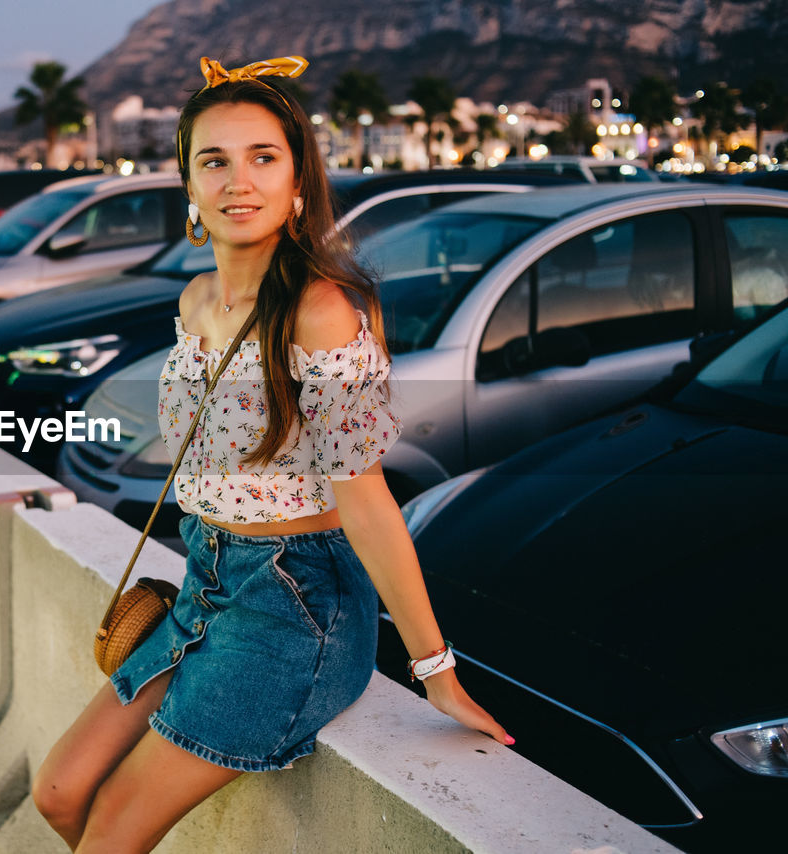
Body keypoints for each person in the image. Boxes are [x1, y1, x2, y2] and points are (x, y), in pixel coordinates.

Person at [32, 56, 511, 853]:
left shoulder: (322, 312)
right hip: (204, 579)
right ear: (189, 186)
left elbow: (366, 498)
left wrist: (437, 670)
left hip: (294, 605)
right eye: (212, 161)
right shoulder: (194, 302)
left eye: (263, 157)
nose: (236, 180)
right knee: (58, 793)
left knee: (111, 828)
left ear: (298, 185)